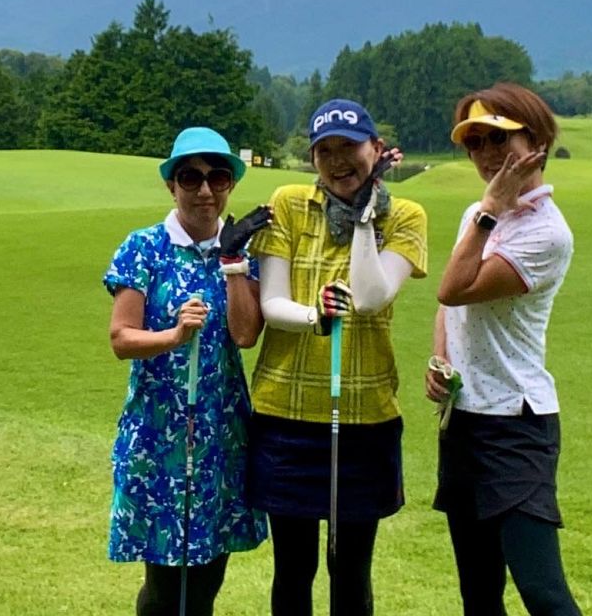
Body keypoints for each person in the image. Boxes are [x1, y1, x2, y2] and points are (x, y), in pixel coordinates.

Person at [248, 99, 428, 616]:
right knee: (294, 567)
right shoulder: (287, 203)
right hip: (285, 411)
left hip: (364, 415)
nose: (337, 160)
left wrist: (368, 218)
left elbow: (372, 296)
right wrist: (316, 318)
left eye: (348, 147)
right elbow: (272, 302)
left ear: (375, 148)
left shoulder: (406, 215)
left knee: (350, 568)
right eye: (324, 150)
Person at [428, 83, 583, 616]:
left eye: (499, 139)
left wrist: (490, 208)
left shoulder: (546, 234)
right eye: (474, 144)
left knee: (542, 592)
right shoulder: (479, 214)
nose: (487, 154)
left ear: (535, 141)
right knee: (478, 591)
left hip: (516, 425)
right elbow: (449, 304)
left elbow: (453, 287)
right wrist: (441, 359)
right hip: (465, 422)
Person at [104, 126, 271, 616]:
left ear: (230, 185)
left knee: (206, 576)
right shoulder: (143, 248)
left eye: (217, 178)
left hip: (220, 433)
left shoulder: (238, 251)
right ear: (171, 185)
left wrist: (234, 262)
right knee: (163, 582)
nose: (204, 190)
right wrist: (173, 337)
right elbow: (121, 339)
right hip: (160, 436)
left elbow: (245, 335)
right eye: (190, 177)